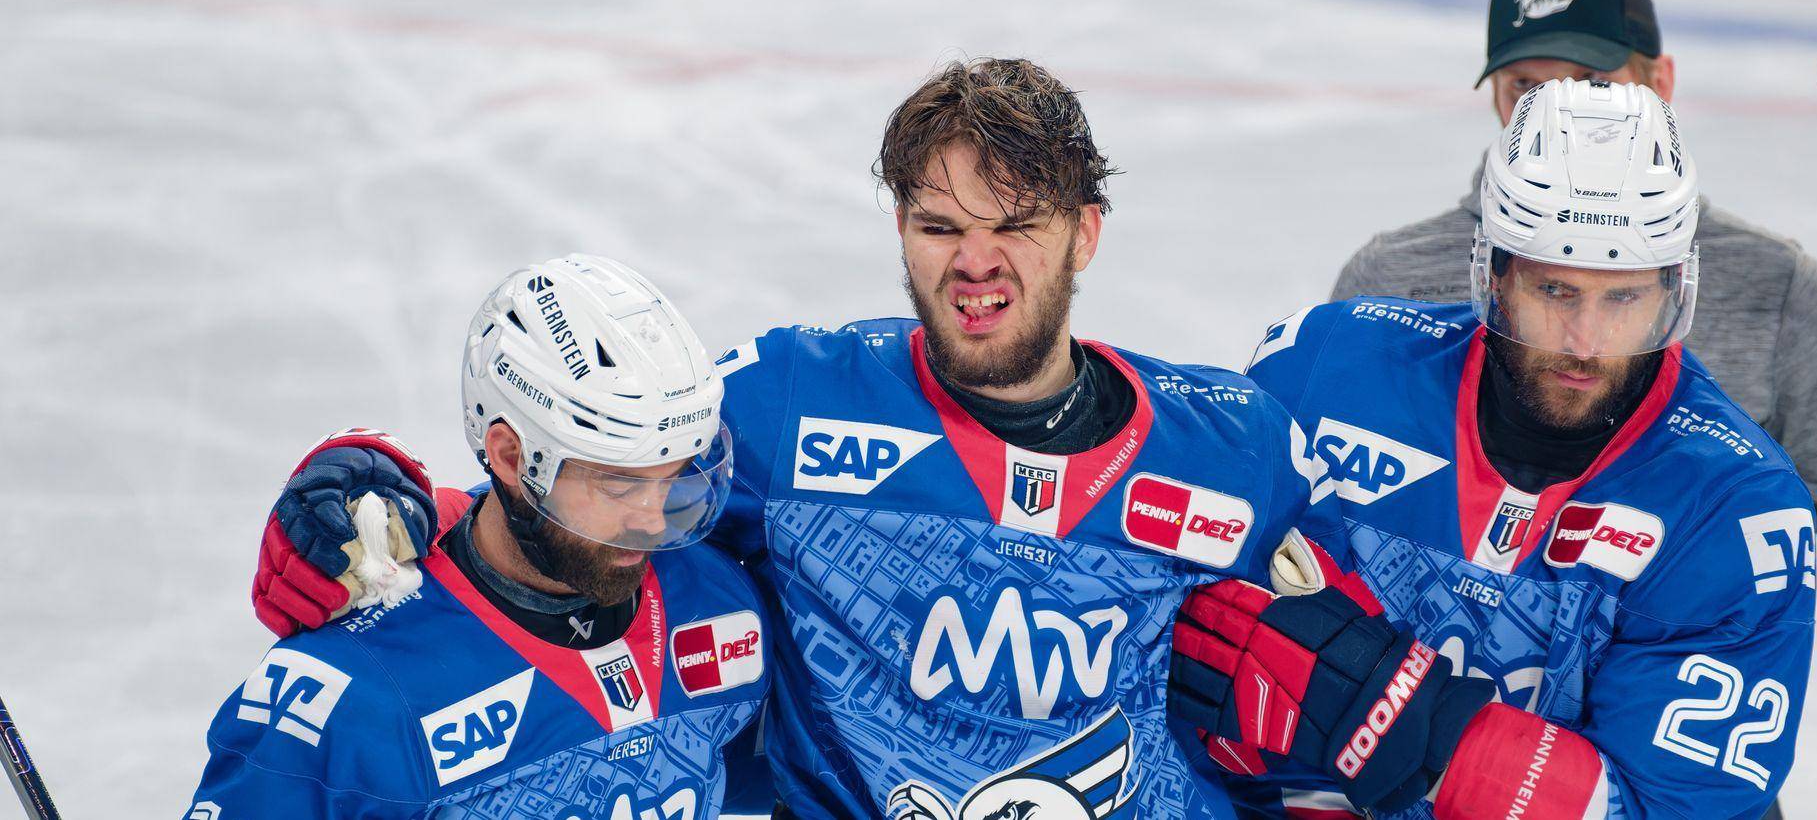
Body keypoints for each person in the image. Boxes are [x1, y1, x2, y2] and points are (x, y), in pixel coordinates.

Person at [239, 58, 1330, 818]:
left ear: (1084, 233)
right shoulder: (785, 402)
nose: (974, 262)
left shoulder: (1232, 446)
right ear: (899, 230)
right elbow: (592, 469)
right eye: (938, 226)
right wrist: (379, 506)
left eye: (1016, 227)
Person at [1173, 79, 1816, 819]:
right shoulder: (1324, 367)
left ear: (1675, 290)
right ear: (1495, 273)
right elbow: (1182, 629)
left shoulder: (1731, 506)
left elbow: (1662, 808)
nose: (1586, 342)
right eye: (1556, 291)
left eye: (1624, 298)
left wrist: (1409, 718)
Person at [1330, 0, 1817, 673]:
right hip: (1419, 725)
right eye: (1527, 85)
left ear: (1663, 81)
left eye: (1593, 80)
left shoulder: (1770, 285)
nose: (1562, 110)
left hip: (1670, 710)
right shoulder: (1394, 278)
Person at [188, 254, 770, 818]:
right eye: (618, 486)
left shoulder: (718, 600)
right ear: (512, 457)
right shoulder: (353, 695)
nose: (651, 519)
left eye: (671, 481)